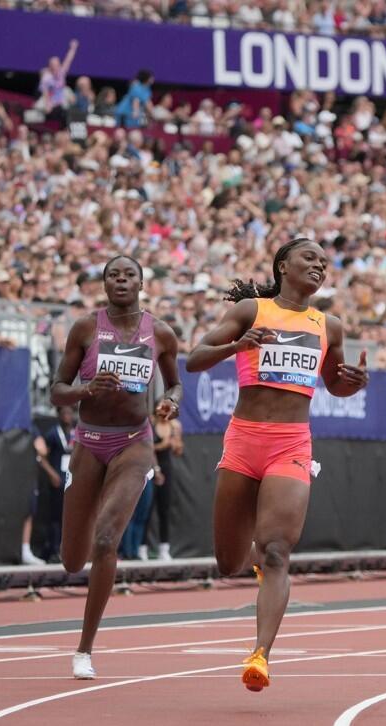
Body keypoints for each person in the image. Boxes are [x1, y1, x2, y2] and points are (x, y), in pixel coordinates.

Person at [187, 238, 368, 692]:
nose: (319, 266)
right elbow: (192, 360)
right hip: (244, 439)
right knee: (228, 562)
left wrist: (355, 384)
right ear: (283, 264)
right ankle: (254, 562)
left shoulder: (330, 326)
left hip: (292, 443)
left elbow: (335, 386)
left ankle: (260, 655)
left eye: (325, 263)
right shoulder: (251, 310)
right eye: (310, 258)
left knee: (276, 552)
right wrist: (237, 345)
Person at [50, 255, 182, 680]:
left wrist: (170, 402)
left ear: (142, 283)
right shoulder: (86, 328)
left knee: (106, 541)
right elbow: (57, 391)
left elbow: (175, 381)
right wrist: (86, 389)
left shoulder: (159, 332)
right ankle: (84, 529)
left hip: (135, 442)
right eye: (113, 275)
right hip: (88, 441)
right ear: (103, 283)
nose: (121, 280)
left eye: (128, 275)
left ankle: (84, 649)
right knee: (73, 560)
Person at [33, 405, 76, 563]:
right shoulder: (52, 433)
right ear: (58, 415)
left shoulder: (76, 433)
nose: (67, 415)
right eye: (64, 412)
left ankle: (70, 550)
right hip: (58, 481)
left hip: (73, 482)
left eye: (70, 412)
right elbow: (41, 456)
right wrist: (51, 473)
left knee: (72, 517)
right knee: (56, 518)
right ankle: (54, 550)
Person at [149, 415, 182, 559]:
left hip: (167, 469)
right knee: (146, 510)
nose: (165, 412)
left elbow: (178, 450)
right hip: (150, 468)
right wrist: (161, 445)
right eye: (162, 408)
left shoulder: (173, 427)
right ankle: (141, 548)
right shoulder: (150, 425)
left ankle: (164, 548)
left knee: (165, 509)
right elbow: (148, 448)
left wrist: (176, 438)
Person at [39, 39, 79, 118]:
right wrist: (48, 104)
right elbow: (45, 93)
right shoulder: (46, 78)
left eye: (57, 64)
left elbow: (68, 60)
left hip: (62, 100)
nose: (56, 67)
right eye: (54, 65)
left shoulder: (61, 72)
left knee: (68, 92)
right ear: (50, 67)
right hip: (51, 101)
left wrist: (73, 48)